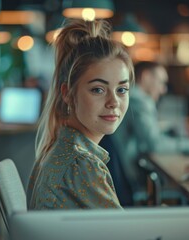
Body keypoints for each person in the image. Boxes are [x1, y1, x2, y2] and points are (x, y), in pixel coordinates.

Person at [26, 19, 134, 210]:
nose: (114, 102)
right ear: (68, 93)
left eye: (122, 90)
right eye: (98, 90)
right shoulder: (82, 164)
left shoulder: (58, 148)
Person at [104, 61, 189, 199]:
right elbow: (154, 144)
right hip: (130, 178)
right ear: (146, 77)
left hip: (121, 172)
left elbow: (150, 133)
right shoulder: (139, 100)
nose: (163, 89)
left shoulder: (132, 96)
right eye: (162, 82)